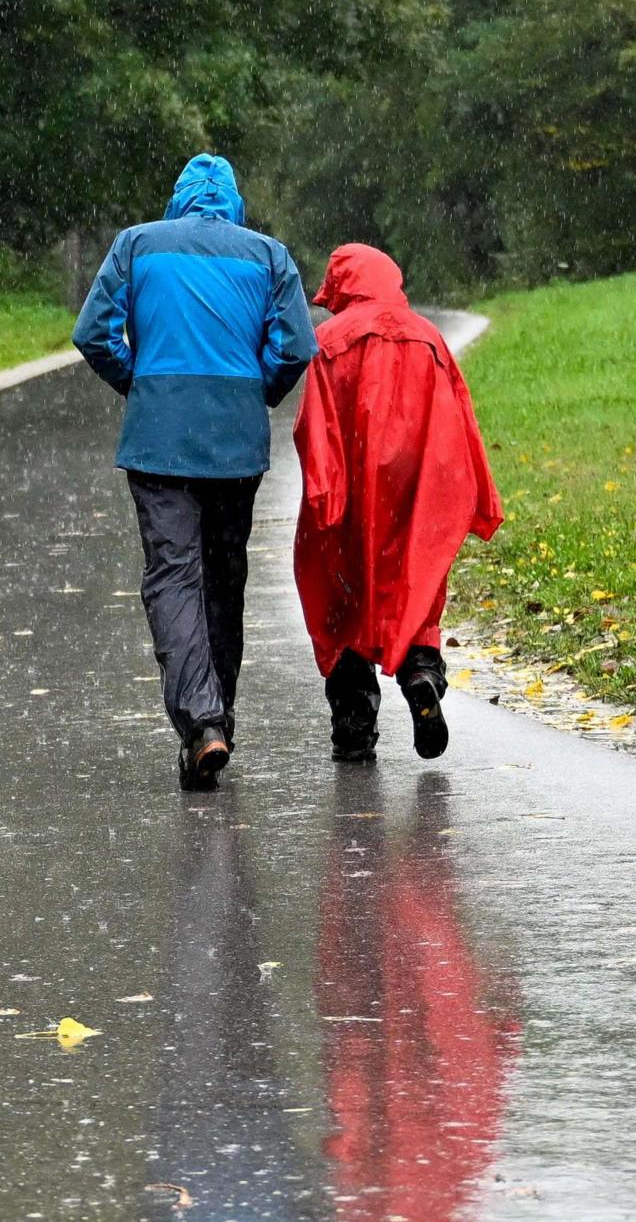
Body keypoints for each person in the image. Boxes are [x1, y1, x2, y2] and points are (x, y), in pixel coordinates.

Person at [74, 153, 317, 790]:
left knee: (173, 577)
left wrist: (142, 382)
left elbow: (94, 333)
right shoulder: (269, 256)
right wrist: (253, 391)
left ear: (178, 199)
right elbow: (296, 345)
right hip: (236, 446)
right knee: (222, 576)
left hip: (159, 442)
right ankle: (218, 719)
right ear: (234, 201)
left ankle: (201, 721)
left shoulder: (137, 244)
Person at [292, 243, 503, 761]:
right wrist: (472, 490)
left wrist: (325, 494)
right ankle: (422, 671)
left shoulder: (328, 340)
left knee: (342, 594)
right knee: (413, 580)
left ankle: (354, 720)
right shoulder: (428, 337)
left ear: (342, 287)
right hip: (417, 482)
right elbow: (460, 417)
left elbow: (314, 427)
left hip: (354, 478)